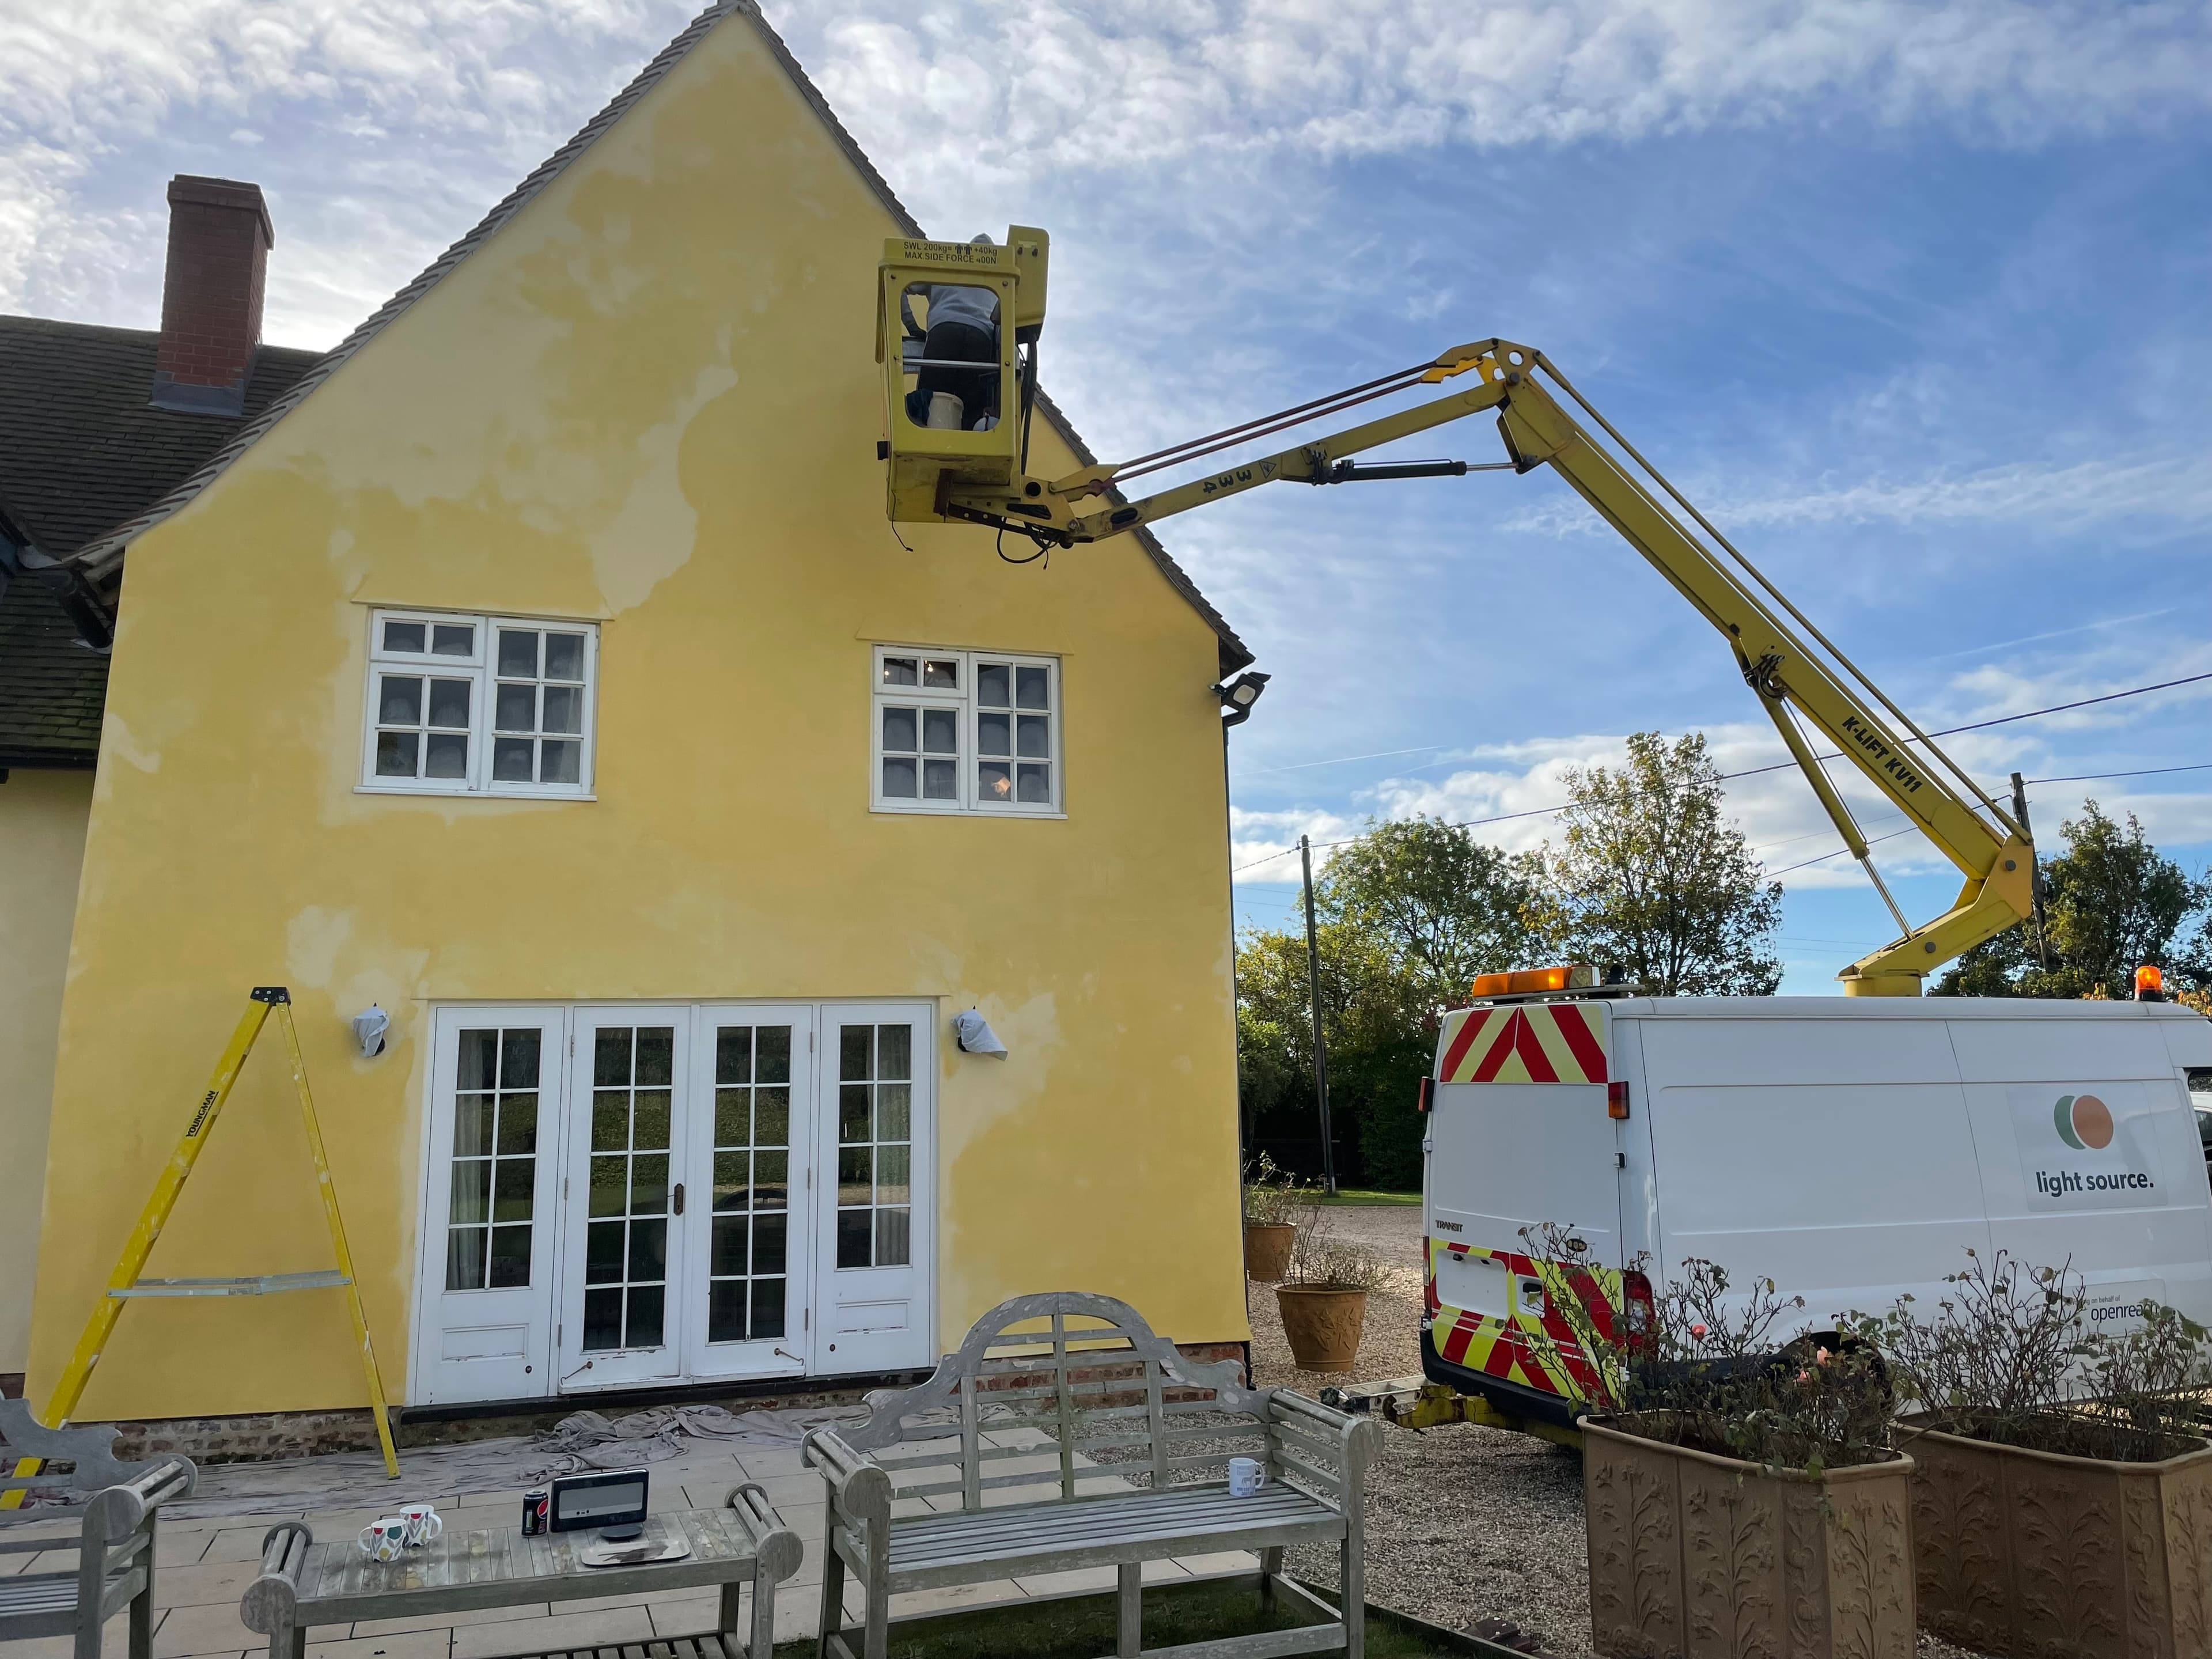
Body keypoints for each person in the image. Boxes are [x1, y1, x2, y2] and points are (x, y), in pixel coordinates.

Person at [906, 234, 1001, 431]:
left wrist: (912, 326)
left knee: (932, 401)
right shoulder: (998, 273)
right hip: (981, 339)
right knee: (973, 411)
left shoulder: (946, 263)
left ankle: (931, 442)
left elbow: (900, 285)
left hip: (944, 333)